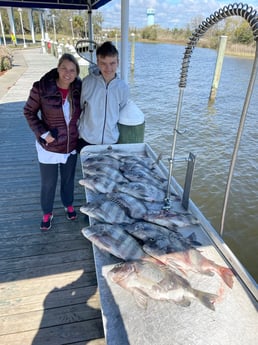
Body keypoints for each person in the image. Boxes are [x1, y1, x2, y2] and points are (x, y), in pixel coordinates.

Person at [24, 53, 82, 231]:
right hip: (48, 146)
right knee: (48, 183)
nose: (67, 73)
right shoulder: (41, 88)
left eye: (72, 70)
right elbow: (29, 112)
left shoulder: (79, 88)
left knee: (68, 179)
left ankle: (68, 204)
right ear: (58, 68)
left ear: (76, 73)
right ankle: (47, 212)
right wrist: (44, 133)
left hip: (70, 145)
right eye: (64, 68)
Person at [77, 41, 129, 151]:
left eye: (112, 63)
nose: (108, 68)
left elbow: (121, 109)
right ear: (97, 62)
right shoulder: (87, 82)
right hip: (87, 140)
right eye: (103, 63)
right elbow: (81, 106)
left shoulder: (123, 87)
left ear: (118, 62)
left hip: (111, 142)